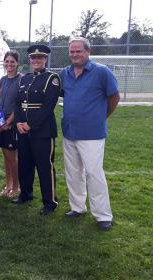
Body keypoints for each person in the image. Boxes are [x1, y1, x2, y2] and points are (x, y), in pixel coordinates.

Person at [60, 37, 120, 231]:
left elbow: (114, 97)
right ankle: (77, 207)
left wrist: (101, 117)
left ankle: (103, 215)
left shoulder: (102, 72)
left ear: (88, 51)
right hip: (69, 131)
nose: (75, 54)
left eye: (79, 51)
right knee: (73, 172)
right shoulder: (64, 73)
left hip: (92, 134)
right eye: (72, 51)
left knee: (94, 174)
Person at [12, 44, 61, 216]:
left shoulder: (52, 79)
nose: (36, 60)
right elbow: (18, 103)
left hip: (42, 131)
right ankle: (26, 194)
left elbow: (48, 106)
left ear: (45, 59)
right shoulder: (24, 78)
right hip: (22, 129)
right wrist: (18, 122)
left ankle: (50, 202)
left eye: (39, 58)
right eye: (33, 58)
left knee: (44, 167)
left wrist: (30, 124)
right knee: (24, 164)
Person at [0, 51, 21, 198]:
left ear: (17, 63)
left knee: (13, 157)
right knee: (5, 155)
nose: (9, 64)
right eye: (7, 61)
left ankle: (17, 188)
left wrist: (8, 122)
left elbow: (19, 106)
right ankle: (8, 185)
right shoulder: (1, 80)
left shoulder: (21, 80)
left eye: (12, 61)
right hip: (1, 123)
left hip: (12, 124)